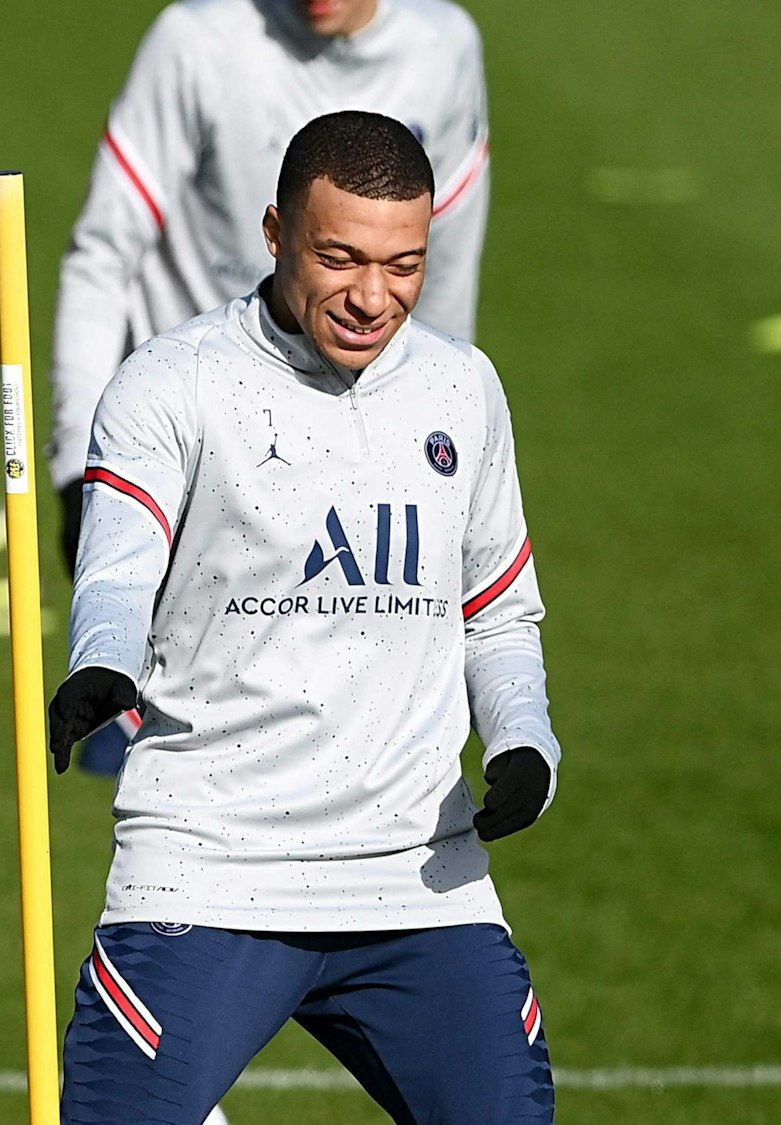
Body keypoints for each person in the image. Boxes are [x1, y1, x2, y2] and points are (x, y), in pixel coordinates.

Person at [47, 111, 557, 1125]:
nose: (373, 297)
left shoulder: (462, 388)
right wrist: (102, 662)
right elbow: (117, 566)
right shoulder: (172, 382)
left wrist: (524, 739)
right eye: (340, 258)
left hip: (416, 879)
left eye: (403, 265)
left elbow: (498, 610)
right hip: (205, 870)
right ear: (276, 232)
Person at [50, 0, 491, 573]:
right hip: (184, 447)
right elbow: (102, 255)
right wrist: (78, 464)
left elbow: (445, 272)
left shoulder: (443, 49)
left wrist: (445, 427)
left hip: (348, 460)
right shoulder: (197, 41)